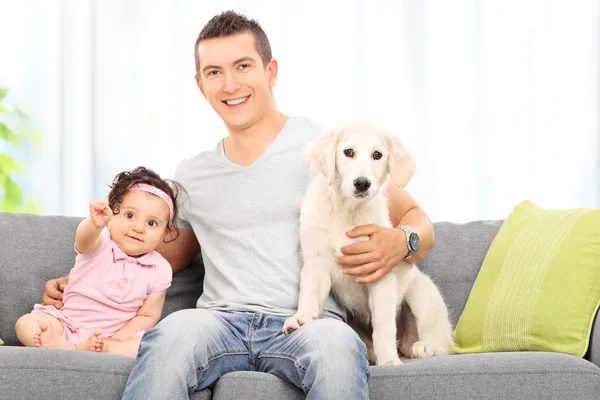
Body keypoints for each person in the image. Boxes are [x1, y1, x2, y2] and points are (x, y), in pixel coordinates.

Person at [42, 11, 435, 399]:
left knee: (338, 353)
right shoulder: (192, 175)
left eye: (243, 66)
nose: (230, 84)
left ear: (270, 71)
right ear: (200, 85)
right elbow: (159, 251)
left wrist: (402, 242)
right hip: (216, 320)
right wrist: (88, 277)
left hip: (309, 323)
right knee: (169, 340)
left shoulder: (324, 148)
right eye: (214, 72)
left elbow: (417, 220)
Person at [18, 166, 182, 357]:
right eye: (130, 215)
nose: (139, 228)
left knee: (149, 346)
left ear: (165, 233)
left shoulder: (160, 269)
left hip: (109, 338)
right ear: (112, 213)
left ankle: (102, 350)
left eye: (151, 223)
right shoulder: (102, 242)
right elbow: (84, 240)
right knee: (26, 324)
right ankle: (67, 347)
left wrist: (116, 340)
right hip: (66, 323)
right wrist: (94, 225)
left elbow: (147, 315)